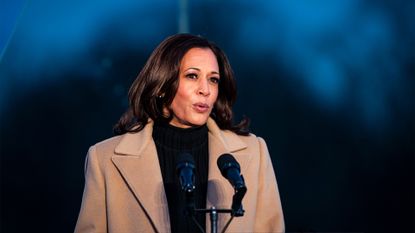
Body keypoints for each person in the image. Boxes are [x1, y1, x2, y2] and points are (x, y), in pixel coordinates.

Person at [74, 34, 284, 233]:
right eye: (192, 76)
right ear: (162, 85)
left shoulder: (255, 151)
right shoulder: (104, 159)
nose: (205, 90)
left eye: (213, 79)